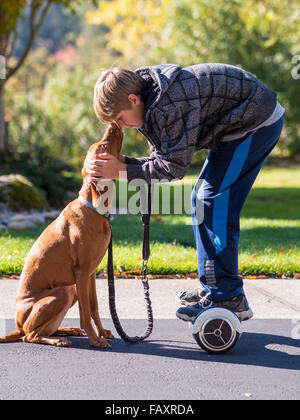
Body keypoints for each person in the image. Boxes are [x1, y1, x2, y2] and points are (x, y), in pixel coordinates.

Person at [88, 63, 285, 323]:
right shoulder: (150, 98)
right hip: (237, 127)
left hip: (255, 122)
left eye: (120, 118)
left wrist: (122, 170)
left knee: (212, 203)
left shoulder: (169, 103)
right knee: (202, 200)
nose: (121, 126)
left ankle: (227, 295)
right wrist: (123, 164)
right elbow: (163, 158)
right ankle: (213, 287)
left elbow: (173, 168)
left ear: (133, 99)